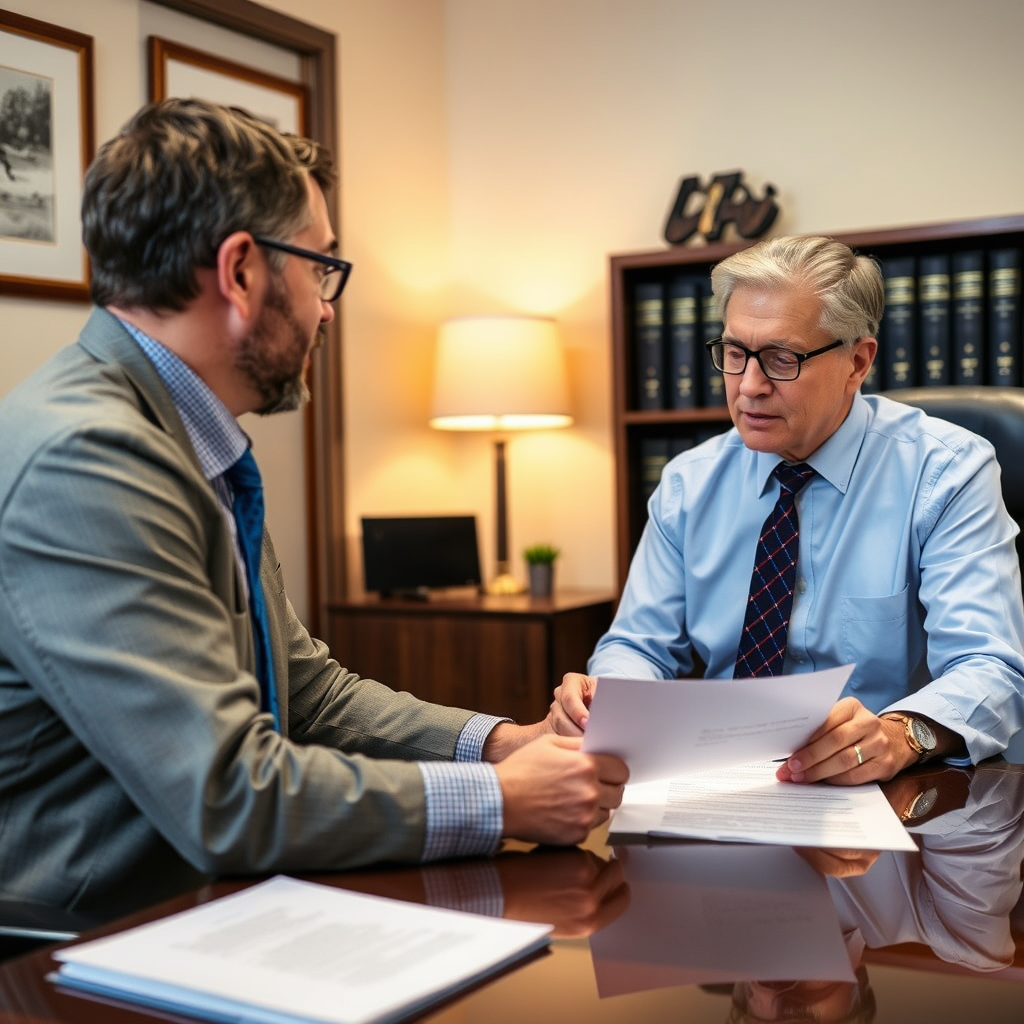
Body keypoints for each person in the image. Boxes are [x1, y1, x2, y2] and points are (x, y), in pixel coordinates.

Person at [0, 98, 627, 918]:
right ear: (240, 271)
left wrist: (503, 746)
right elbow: (229, 795)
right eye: (320, 267)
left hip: (207, 910)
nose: (328, 306)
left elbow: (307, 693)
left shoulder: (187, 437)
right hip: (78, 945)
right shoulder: (88, 458)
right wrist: (501, 800)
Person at [550, 234, 1024, 784]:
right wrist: (608, 697)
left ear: (857, 362)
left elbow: (991, 667)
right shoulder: (689, 483)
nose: (749, 387)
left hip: (888, 789)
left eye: (782, 359)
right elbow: (638, 645)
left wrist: (901, 734)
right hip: (719, 777)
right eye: (734, 354)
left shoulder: (945, 472)